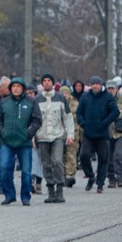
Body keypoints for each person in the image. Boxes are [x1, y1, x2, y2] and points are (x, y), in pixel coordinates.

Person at [0, 77, 42, 206]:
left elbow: (37, 120)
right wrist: (1, 132)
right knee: (4, 168)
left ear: (23, 88)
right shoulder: (4, 102)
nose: (16, 88)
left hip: (24, 142)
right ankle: (9, 195)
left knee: (26, 171)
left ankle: (25, 196)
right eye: (13, 86)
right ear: (10, 88)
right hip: (7, 141)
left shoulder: (31, 102)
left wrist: (29, 133)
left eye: (18, 86)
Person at [34, 74, 75, 204]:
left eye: (49, 81)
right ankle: (50, 190)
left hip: (58, 135)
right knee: (46, 164)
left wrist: (70, 135)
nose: (46, 83)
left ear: (53, 83)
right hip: (42, 136)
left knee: (57, 161)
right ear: (42, 84)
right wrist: (32, 137)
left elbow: (68, 118)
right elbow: (34, 120)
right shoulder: (37, 99)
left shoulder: (61, 98)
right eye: (44, 81)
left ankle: (60, 189)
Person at [76, 76, 119, 193]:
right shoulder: (85, 96)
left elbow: (115, 112)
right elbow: (79, 112)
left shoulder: (107, 97)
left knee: (103, 159)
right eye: (93, 84)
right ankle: (91, 177)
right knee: (83, 156)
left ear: (101, 85)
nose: (95, 86)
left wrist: (104, 122)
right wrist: (83, 123)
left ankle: (100, 184)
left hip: (102, 134)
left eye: (97, 84)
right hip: (88, 133)